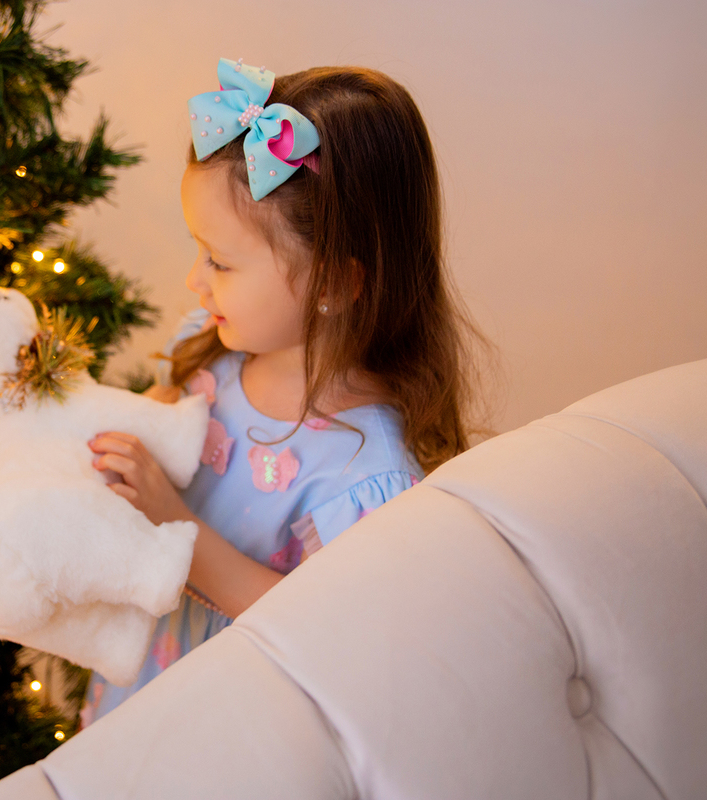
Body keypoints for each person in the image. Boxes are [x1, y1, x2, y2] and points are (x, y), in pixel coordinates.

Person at [79, 58, 485, 726]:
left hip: (227, 721)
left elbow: (324, 633)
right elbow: (146, 435)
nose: (194, 280)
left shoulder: (367, 478)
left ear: (331, 284)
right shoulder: (211, 344)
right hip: (139, 685)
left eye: (221, 261)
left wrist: (175, 523)